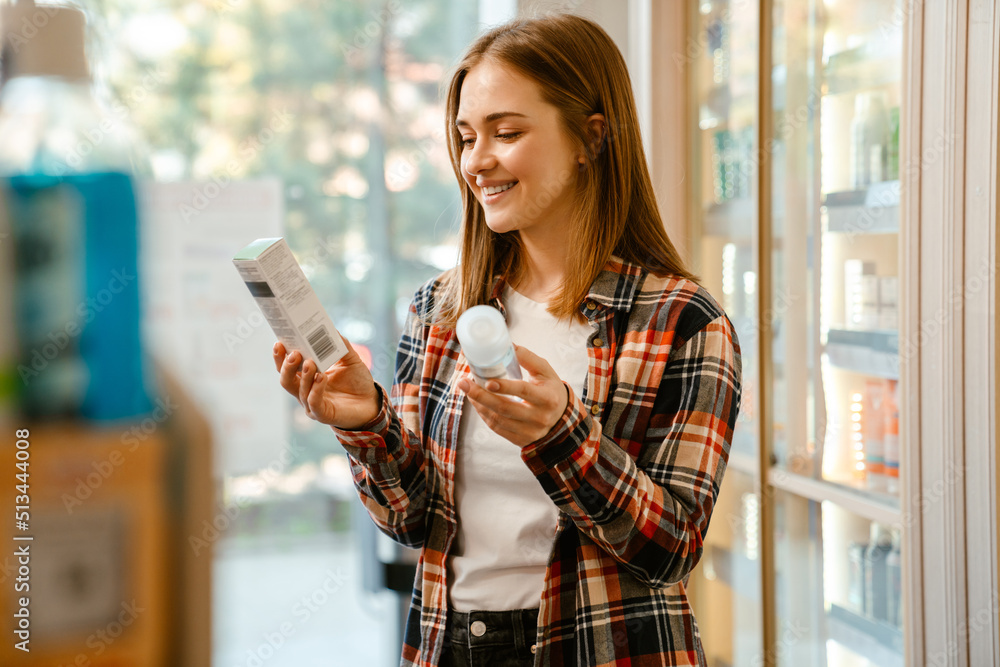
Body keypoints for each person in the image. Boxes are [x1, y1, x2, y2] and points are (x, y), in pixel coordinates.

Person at [274, 12, 742, 667]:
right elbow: (414, 521)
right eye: (466, 137)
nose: (476, 160)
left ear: (591, 137)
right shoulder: (439, 309)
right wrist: (366, 422)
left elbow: (672, 546)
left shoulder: (682, 320)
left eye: (507, 132)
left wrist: (563, 437)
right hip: (452, 645)